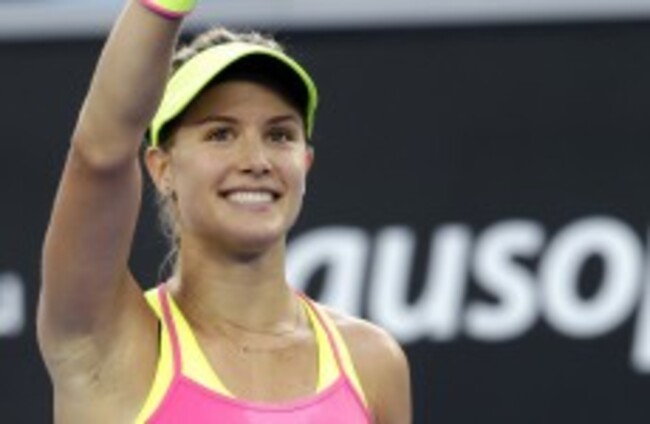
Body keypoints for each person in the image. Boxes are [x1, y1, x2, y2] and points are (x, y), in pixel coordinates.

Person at [37, 0, 412, 422]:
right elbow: (99, 154)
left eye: (279, 135)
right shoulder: (107, 343)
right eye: (220, 134)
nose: (256, 160)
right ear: (162, 168)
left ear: (305, 163)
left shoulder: (372, 362)